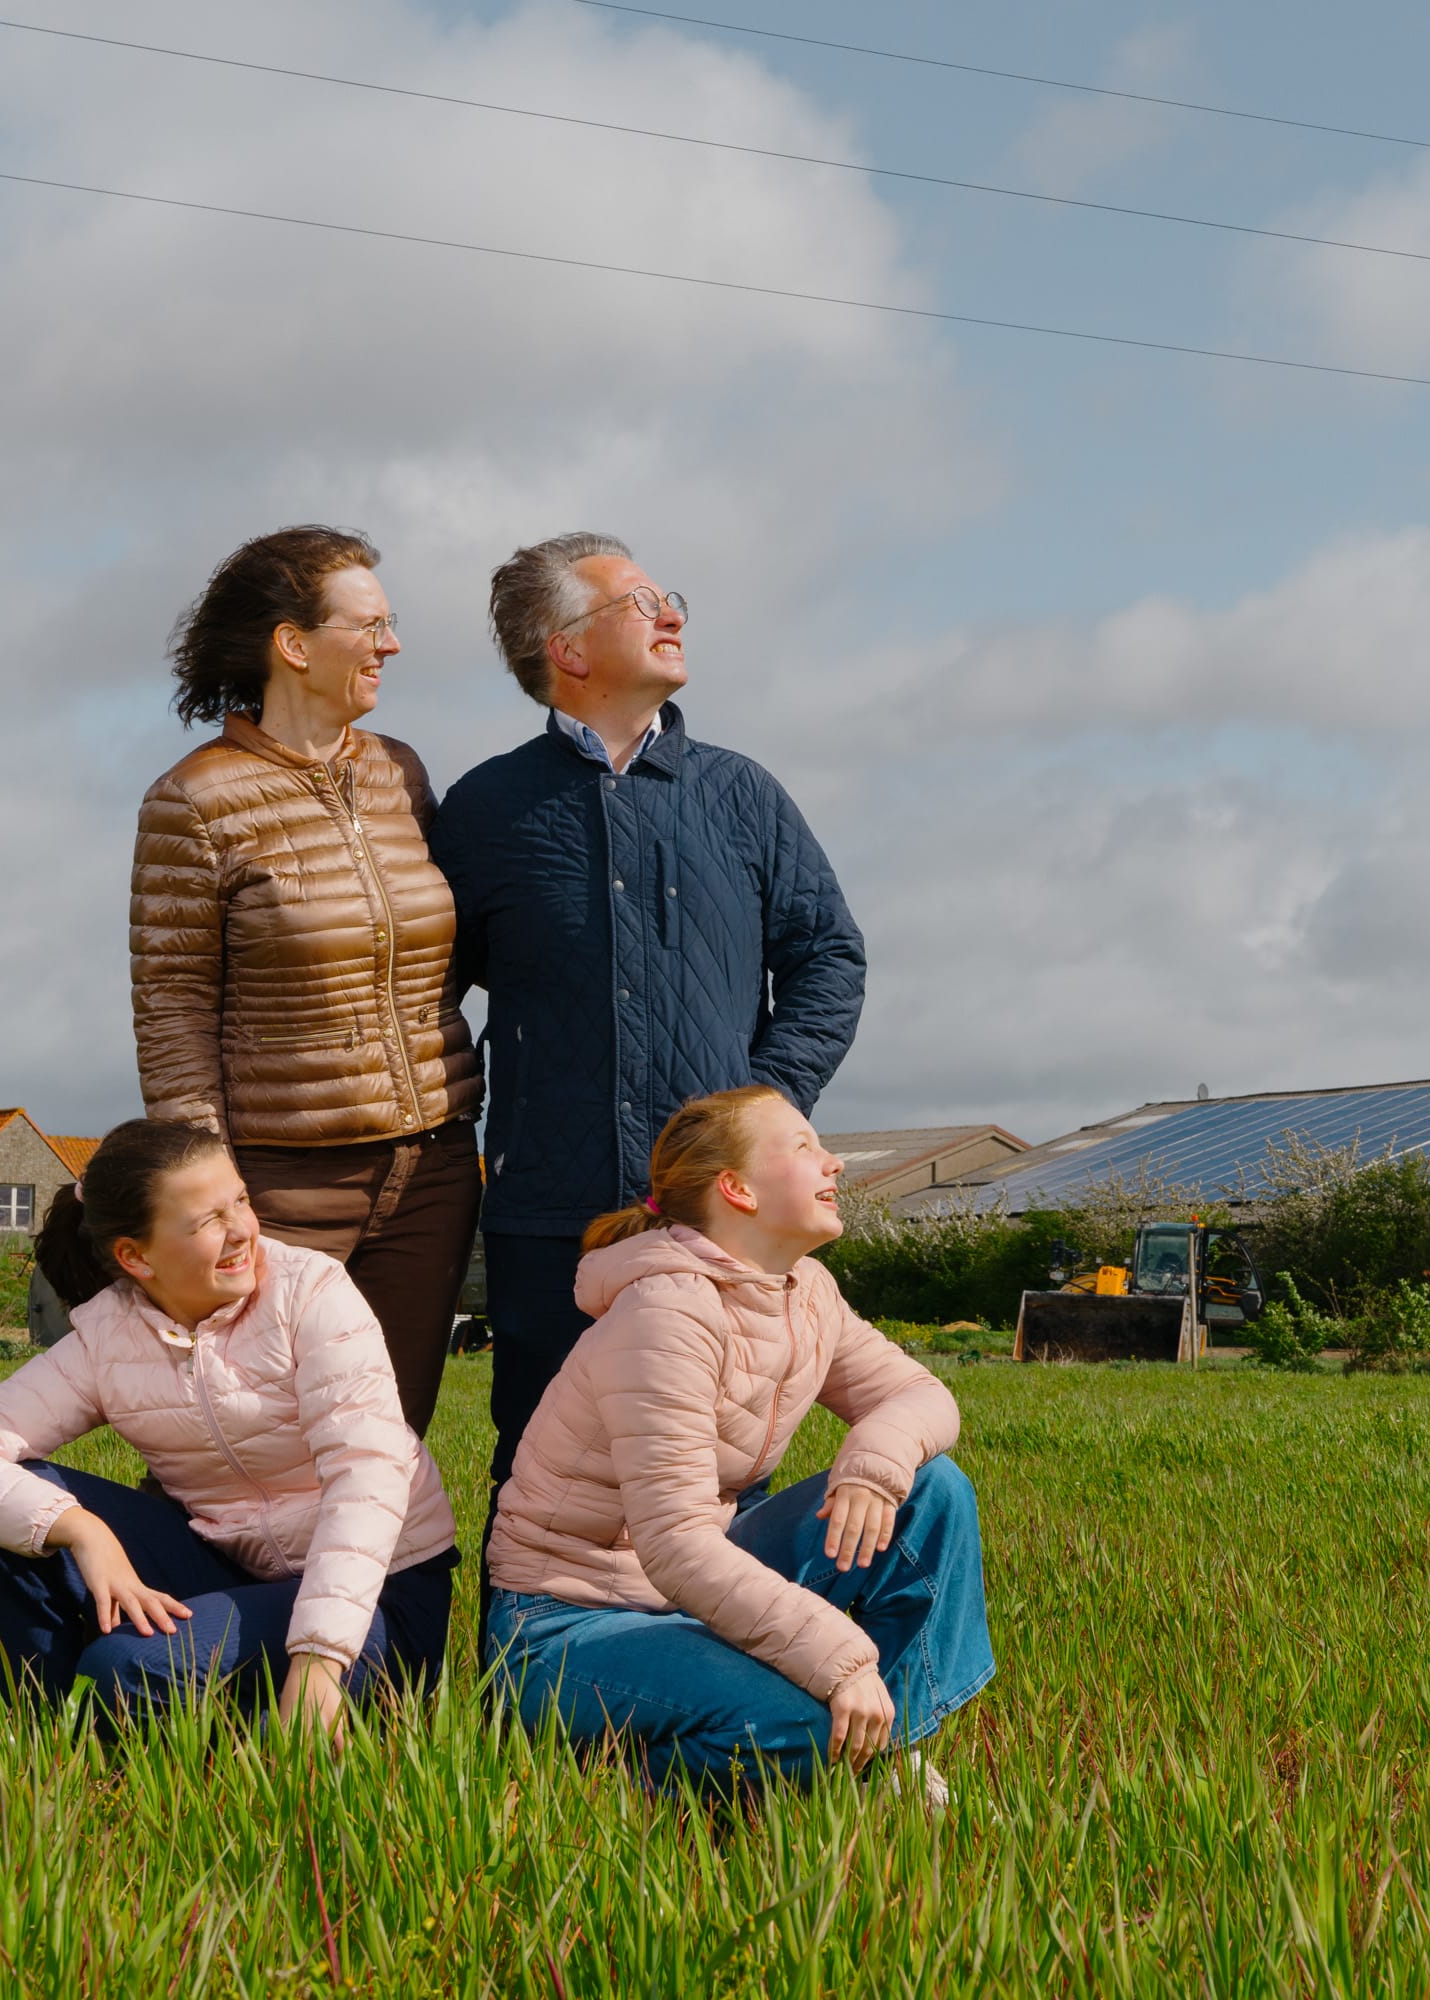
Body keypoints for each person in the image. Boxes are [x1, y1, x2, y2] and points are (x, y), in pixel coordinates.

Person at [434, 533, 866, 1489]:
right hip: (551, 1211)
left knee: (716, 1461)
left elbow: (829, 958)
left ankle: (709, 1641)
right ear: (568, 650)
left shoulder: (742, 795)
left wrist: (756, 1109)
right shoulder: (485, 809)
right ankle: (532, 1646)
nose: (672, 615)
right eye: (641, 603)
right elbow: (421, 990)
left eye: (672, 597)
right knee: (543, 1458)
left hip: (719, 1213)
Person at [485, 1088, 992, 1794]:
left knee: (931, 1490)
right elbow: (675, 1543)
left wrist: (872, 1470)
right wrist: (842, 1660)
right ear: (737, 1189)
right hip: (570, 1625)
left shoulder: (805, 1290)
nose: (834, 1161)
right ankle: (596, 1783)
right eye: (804, 1146)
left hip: (689, 1591)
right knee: (810, 1728)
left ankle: (887, 1752)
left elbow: (921, 1396)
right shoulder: (665, 1313)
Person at [0, 1119, 459, 1727]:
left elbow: (367, 1477)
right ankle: (34, 1751)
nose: (243, 1230)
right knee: (6, 1519)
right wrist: (82, 1531)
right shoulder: (106, 1337)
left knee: (122, 1671)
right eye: (206, 1222)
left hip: (382, 1594)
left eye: (240, 1200)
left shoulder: (311, 1294)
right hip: (236, 1573)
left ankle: (175, 1731)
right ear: (135, 1257)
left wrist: (321, 1661)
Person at [132, 525, 483, 1437]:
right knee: (261, 1437)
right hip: (282, 1187)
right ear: (293, 645)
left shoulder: (399, 774)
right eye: (369, 625)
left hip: (435, 1170)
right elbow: (172, 1010)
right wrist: (211, 1191)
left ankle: (379, 1590)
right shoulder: (193, 800)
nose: (391, 645)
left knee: (387, 1439)